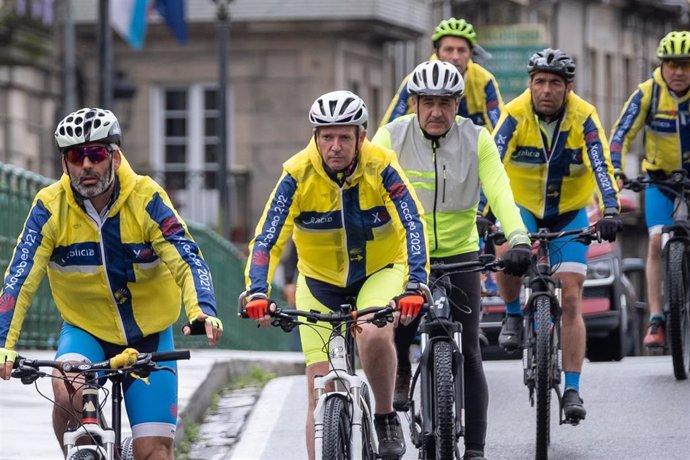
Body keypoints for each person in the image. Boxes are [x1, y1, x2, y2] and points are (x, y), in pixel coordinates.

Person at [0, 108, 223, 459]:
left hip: (149, 335)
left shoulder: (147, 198)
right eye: (76, 156)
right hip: (86, 331)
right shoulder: (49, 207)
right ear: (65, 165)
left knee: (154, 452)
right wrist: (3, 343)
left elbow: (187, 258)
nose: (86, 165)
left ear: (115, 158)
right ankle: (95, 449)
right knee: (67, 388)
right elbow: (20, 276)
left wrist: (202, 311)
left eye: (97, 154)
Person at [241, 90, 430, 460]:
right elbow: (267, 237)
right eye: (327, 136)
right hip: (318, 281)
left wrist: (416, 282)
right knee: (319, 387)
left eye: (345, 136)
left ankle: (384, 414)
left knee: (374, 334)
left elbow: (412, 222)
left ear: (361, 136)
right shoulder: (296, 174)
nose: (335, 146)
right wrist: (257, 292)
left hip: (379, 270)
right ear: (315, 137)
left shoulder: (382, 165)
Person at [373, 60, 531, 460]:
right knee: (394, 328)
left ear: (458, 103)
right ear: (414, 103)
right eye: (428, 103)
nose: (437, 112)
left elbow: (499, 190)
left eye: (445, 103)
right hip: (405, 253)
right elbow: (367, 192)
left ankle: (475, 449)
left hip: (461, 252)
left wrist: (518, 239)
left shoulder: (476, 138)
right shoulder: (390, 137)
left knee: (472, 351)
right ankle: (402, 368)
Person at [491, 49, 622, 422]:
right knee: (504, 243)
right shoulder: (514, 114)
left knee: (573, 295)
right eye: (539, 82)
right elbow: (492, 162)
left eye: (554, 83)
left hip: (569, 211)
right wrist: (487, 214)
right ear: (530, 84)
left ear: (568, 87)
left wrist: (610, 210)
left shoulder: (585, 116)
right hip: (523, 208)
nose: (545, 90)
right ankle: (514, 314)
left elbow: (601, 164)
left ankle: (573, 389)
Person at [609, 30, 690, 348]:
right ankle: (657, 318)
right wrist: (616, 169)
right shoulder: (648, 93)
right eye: (673, 64)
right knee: (656, 241)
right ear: (663, 65)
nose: (680, 72)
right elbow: (620, 134)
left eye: (686, 65)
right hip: (659, 178)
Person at [380, 17, 504, 131]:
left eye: (461, 50)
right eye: (449, 49)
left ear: (471, 53)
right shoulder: (417, 79)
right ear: (437, 52)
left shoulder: (484, 81)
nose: (455, 57)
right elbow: (388, 127)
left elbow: (498, 128)